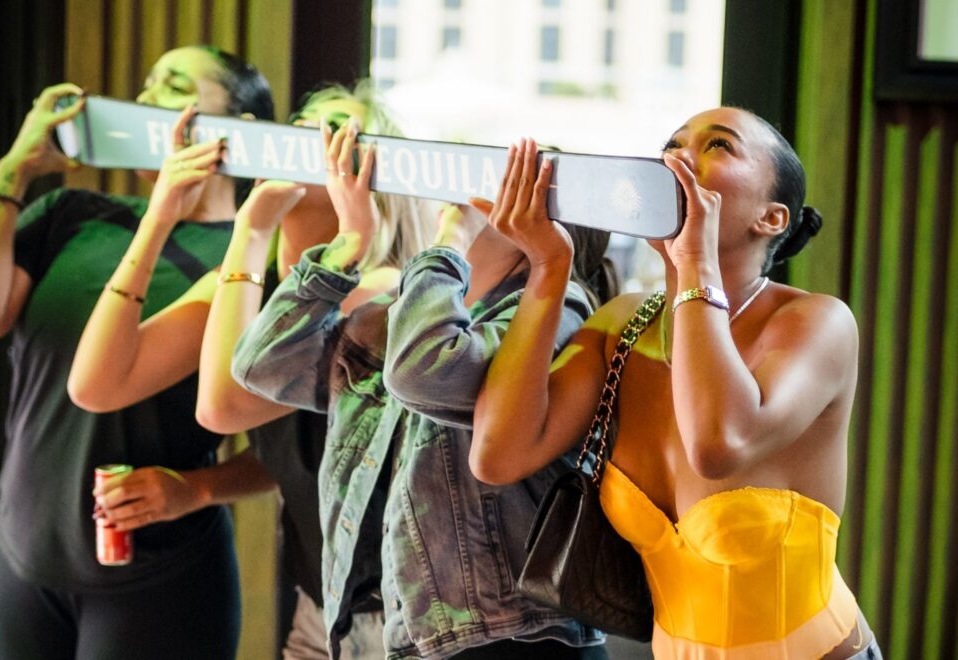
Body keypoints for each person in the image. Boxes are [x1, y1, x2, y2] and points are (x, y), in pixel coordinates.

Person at [470, 108, 880, 659]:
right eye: (673, 144)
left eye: (718, 146)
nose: (678, 157)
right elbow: (498, 455)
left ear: (771, 218)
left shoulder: (816, 323)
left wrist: (695, 263)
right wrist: (548, 263)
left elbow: (716, 443)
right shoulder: (622, 324)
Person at [67, 80, 434, 659]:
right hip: (321, 608)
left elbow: (223, 405)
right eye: (300, 124)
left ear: (369, 181)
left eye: (335, 132)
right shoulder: (250, 285)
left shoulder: (382, 294)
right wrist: (160, 218)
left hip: (402, 618)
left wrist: (252, 229)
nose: (305, 138)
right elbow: (95, 384)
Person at [0, 45, 275, 660]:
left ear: (237, 129)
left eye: (173, 86)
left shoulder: (247, 260)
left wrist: (197, 489)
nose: (144, 101)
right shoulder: (74, 213)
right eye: (145, 86)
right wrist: (13, 172)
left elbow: (292, 449)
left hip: (160, 577)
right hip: (24, 558)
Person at [231, 133, 613, 658]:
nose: (453, 202)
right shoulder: (409, 311)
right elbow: (262, 365)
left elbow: (423, 374)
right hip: (411, 632)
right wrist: (348, 244)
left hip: (512, 638)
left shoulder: (556, 311)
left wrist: (451, 240)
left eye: (489, 191)